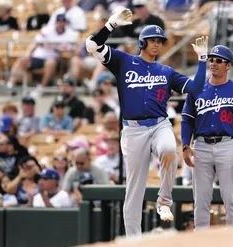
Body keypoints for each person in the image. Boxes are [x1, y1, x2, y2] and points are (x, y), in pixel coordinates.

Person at [85, 8, 208, 236]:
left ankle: (164, 201)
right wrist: (111, 24)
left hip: (159, 124)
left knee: (170, 149)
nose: (156, 44)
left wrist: (202, 58)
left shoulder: (166, 71)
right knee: (134, 188)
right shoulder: (124, 61)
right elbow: (92, 45)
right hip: (133, 130)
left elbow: (196, 88)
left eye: (160, 41)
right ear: (142, 42)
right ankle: (134, 239)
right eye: (152, 40)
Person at [181, 45, 233, 230]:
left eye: (218, 60)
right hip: (201, 145)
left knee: (231, 199)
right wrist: (185, 146)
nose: (213, 63)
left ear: (228, 65)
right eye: (211, 59)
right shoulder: (196, 87)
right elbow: (187, 120)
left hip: (227, 145)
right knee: (201, 201)